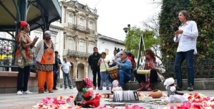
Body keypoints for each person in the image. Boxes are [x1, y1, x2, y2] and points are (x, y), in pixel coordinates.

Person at [174, 10, 198, 91]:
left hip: (189, 48)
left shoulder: (192, 23)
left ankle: (190, 85)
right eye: (178, 15)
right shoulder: (181, 26)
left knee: (189, 66)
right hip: (180, 49)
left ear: (185, 16)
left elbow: (195, 34)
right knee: (176, 65)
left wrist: (183, 32)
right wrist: (177, 35)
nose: (179, 16)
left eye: (180, 15)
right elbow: (176, 40)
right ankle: (179, 85)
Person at [15, 21, 39, 95]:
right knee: (21, 73)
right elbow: (24, 46)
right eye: (28, 26)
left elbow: (30, 46)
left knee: (27, 73)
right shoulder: (20, 35)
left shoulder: (27, 36)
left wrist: (34, 41)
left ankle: (25, 89)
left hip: (28, 55)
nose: (29, 28)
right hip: (22, 55)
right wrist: (32, 42)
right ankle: (19, 89)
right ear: (25, 27)